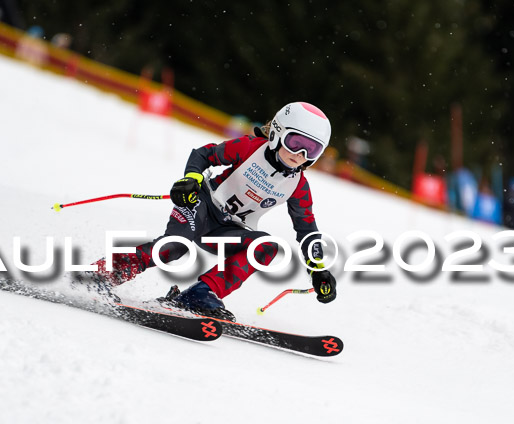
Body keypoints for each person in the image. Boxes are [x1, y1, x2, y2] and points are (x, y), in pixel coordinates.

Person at [92, 102, 338, 319]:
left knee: (267, 246)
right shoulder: (250, 148)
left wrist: (318, 269)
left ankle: (201, 294)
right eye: (296, 143)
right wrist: (191, 178)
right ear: (276, 133)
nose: (301, 155)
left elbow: (306, 229)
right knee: (176, 246)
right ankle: (101, 274)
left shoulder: (298, 186)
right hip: (200, 205)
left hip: (226, 231)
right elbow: (204, 154)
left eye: (312, 150)